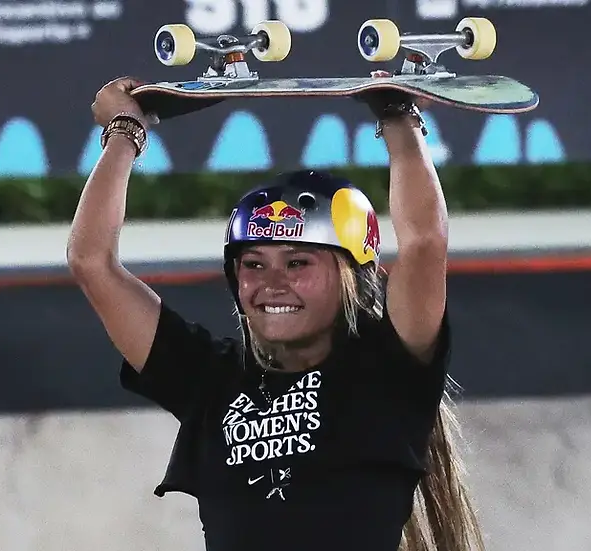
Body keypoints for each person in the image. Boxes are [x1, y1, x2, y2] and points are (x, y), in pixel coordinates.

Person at [67, 76, 485, 551]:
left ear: (350, 274)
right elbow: (91, 262)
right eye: (253, 265)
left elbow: (426, 241)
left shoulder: (388, 368)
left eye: (298, 262)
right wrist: (126, 130)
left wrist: (397, 116)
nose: (271, 283)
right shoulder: (210, 378)